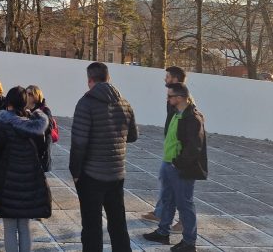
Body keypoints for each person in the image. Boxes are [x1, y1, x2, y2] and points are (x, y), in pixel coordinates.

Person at [70, 62, 138, 252]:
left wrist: (75, 172)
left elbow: (79, 143)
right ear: (108, 78)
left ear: (90, 80)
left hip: (92, 174)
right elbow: (133, 136)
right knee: (118, 224)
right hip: (117, 173)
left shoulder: (86, 103)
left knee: (92, 227)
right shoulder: (124, 102)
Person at [141, 83, 207, 252]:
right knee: (167, 200)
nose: (167, 99)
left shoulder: (193, 118)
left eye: (170, 96)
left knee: (185, 204)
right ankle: (163, 233)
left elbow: (195, 147)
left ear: (179, 98)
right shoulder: (176, 114)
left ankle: (189, 243)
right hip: (168, 163)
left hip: (182, 168)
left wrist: (178, 163)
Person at [0, 87, 52, 252]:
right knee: (24, 225)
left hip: (7, 180)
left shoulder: (3, 124)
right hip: (30, 179)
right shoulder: (36, 125)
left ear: (8, 102)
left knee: (9, 227)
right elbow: (42, 150)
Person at [142, 66, 188, 233]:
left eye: (167, 77)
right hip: (170, 150)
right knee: (166, 183)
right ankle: (160, 213)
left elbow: (188, 132)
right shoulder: (173, 98)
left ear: (175, 79)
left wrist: (180, 157)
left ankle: (183, 222)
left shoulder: (184, 101)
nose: (165, 79)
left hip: (177, 154)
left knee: (180, 191)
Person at [25, 85, 58, 172]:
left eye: (30, 94)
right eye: (26, 93)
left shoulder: (45, 110)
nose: (27, 96)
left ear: (36, 95)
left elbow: (48, 129)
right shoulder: (24, 109)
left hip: (40, 150)